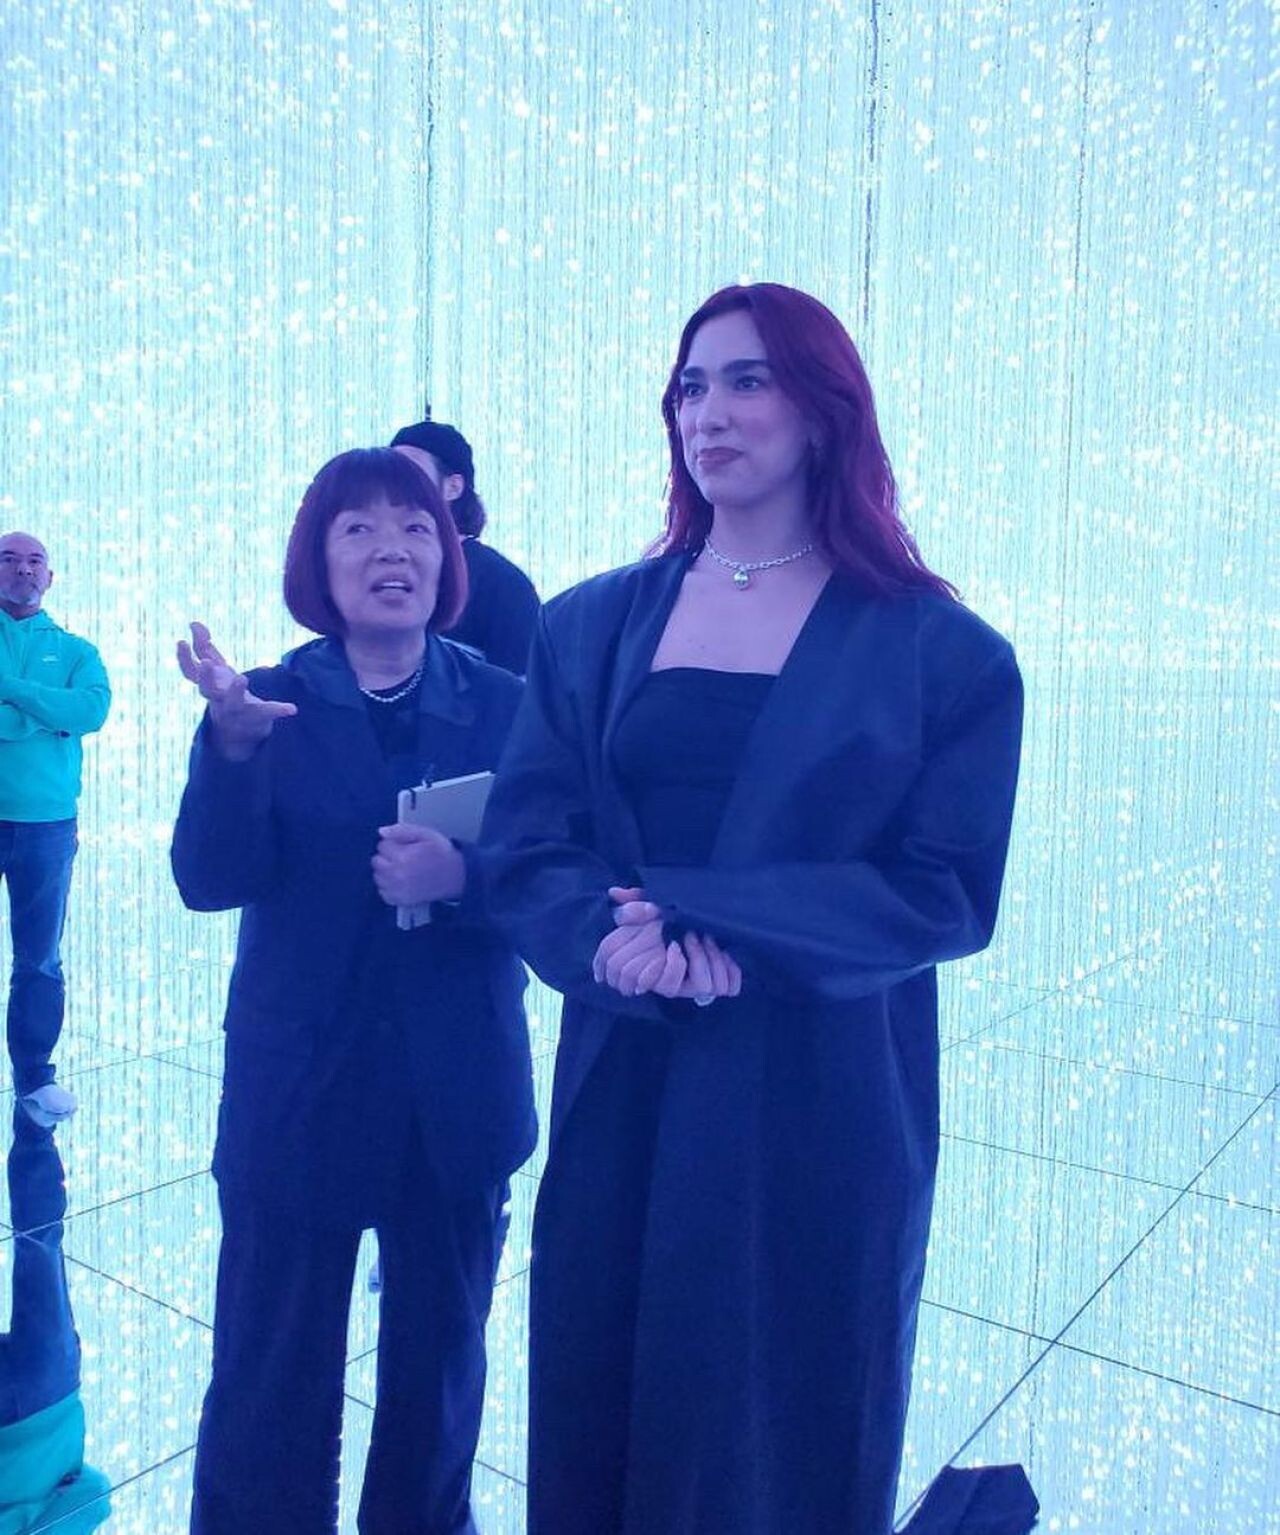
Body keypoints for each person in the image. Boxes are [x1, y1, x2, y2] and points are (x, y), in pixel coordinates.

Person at [479, 283, 1024, 1534]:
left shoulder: (943, 652)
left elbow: (943, 886)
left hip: (820, 1085)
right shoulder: (591, 622)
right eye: (689, 386)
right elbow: (527, 837)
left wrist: (716, 925)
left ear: (824, 410)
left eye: (746, 380)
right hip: (628, 1063)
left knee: (781, 1401)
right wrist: (611, 942)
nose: (707, 412)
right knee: (603, 1376)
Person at [171, 448, 535, 1535]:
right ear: (318, 563)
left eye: (417, 528)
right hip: (301, 1082)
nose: (393, 550)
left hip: (457, 1086)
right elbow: (208, 880)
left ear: (448, 554)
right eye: (360, 529)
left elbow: (558, 874)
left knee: (438, 1370)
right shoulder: (266, 701)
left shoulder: (510, 705)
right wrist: (233, 752)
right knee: (269, 1365)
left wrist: (463, 879)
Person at [0, 533, 110, 1130]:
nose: (22, 569)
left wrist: (12, 692)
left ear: (49, 577)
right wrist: (46, 717)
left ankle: (35, 1077)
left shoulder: (75, 650)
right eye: (8, 558)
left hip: (47, 824)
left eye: (34, 561)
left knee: (39, 959)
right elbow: (64, 714)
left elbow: (89, 712)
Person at [0, 1108, 112, 1534]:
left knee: (41, 1244)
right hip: (43, 1397)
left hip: (47, 1398)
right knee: (39, 1246)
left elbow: (94, 1491)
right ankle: (35, 1118)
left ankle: (35, 1122)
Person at [390, 417, 540, 674]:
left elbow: (520, 689)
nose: (396, 483)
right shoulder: (376, 567)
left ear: (453, 487)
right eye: (391, 472)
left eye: (411, 472)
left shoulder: (501, 583)